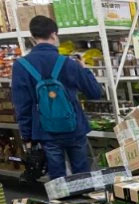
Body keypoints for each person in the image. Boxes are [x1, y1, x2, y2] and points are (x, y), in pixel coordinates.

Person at [10, 15, 103, 179]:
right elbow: (95, 92)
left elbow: (22, 105)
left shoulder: (21, 66)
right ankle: (86, 195)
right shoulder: (69, 63)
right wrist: (84, 69)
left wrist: (27, 137)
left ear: (32, 38)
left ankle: (59, 196)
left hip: (45, 131)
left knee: (58, 180)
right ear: (54, 35)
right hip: (74, 127)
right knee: (82, 177)